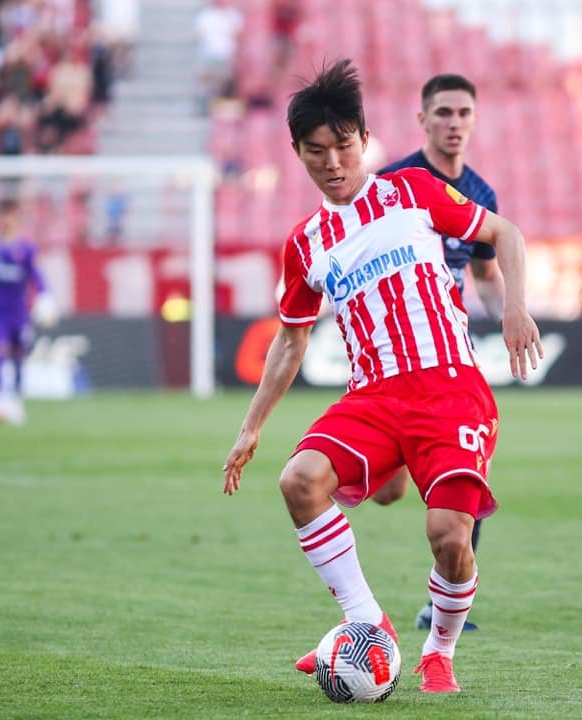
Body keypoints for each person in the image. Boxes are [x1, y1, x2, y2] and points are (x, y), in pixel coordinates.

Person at [222, 59, 542, 694]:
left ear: (365, 140)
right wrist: (251, 427)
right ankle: (368, 624)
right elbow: (290, 340)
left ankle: (439, 651)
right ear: (297, 153)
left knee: (449, 537)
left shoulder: (413, 191)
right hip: (372, 395)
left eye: (344, 146)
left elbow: (504, 232)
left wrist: (514, 307)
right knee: (299, 481)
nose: (333, 163)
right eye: (316, 152)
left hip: (449, 387)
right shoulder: (305, 243)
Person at [374, 73, 504, 633]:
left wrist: (513, 318)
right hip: (396, 355)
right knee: (387, 492)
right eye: (444, 112)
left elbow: (485, 274)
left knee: (470, 474)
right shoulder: (393, 185)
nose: (454, 123)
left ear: (474, 120)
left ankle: (443, 604)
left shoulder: (481, 193)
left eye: (463, 113)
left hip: (453, 354)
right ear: (422, 119)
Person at [0, 198, 57, 425]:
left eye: (11, 217)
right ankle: (0, 402)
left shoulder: (26, 250)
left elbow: (36, 276)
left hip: (19, 313)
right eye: (3, 216)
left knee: (18, 356)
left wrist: (45, 296)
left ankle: (16, 401)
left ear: (17, 220)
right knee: (0, 352)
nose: (6, 221)